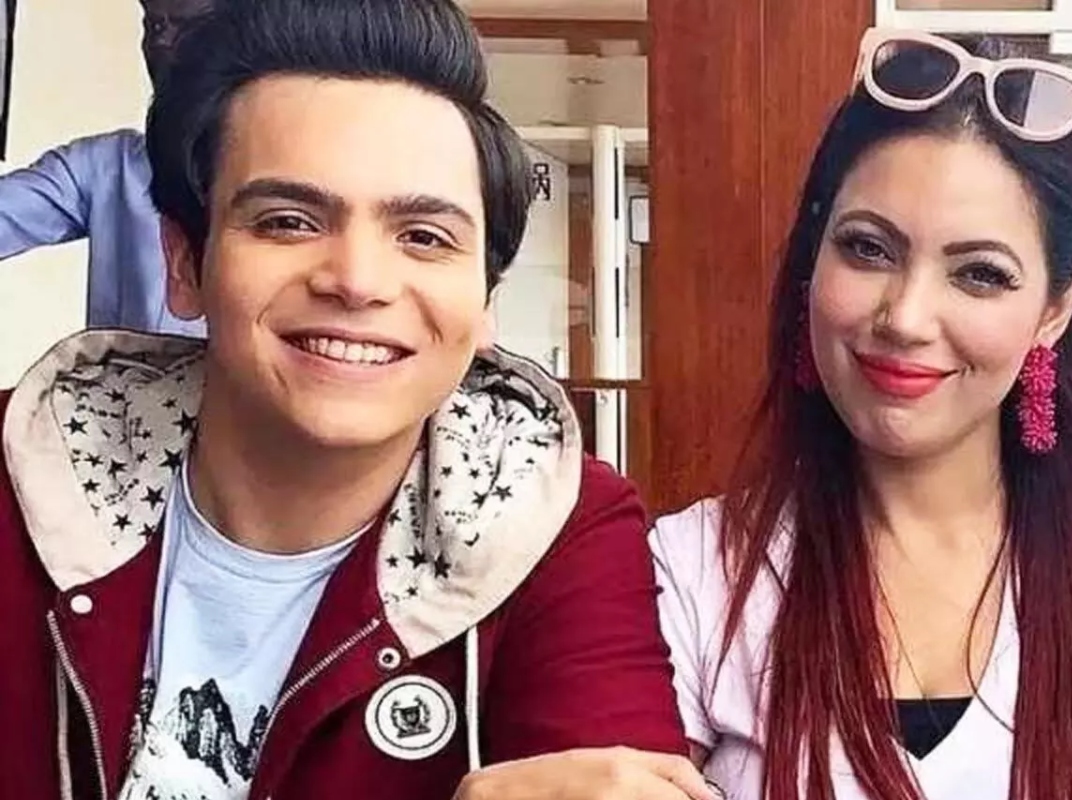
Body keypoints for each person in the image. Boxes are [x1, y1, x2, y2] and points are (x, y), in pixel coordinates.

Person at [0, 0, 716, 798]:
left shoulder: (552, 514)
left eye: (424, 237)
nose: (358, 281)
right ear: (185, 264)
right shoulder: (22, 468)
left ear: (486, 298)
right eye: (288, 221)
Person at [649, 30, 1072, 800]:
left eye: (980, 274)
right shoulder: (690, 572)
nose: (905, 317)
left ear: (1058, 309)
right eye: (868, 249)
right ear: (813, 258)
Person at [0, 0, 212, 336]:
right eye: (154, 26)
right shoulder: (106, 166)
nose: (161, 40)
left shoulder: (276, 168)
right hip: (120, 372)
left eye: (184, 25)